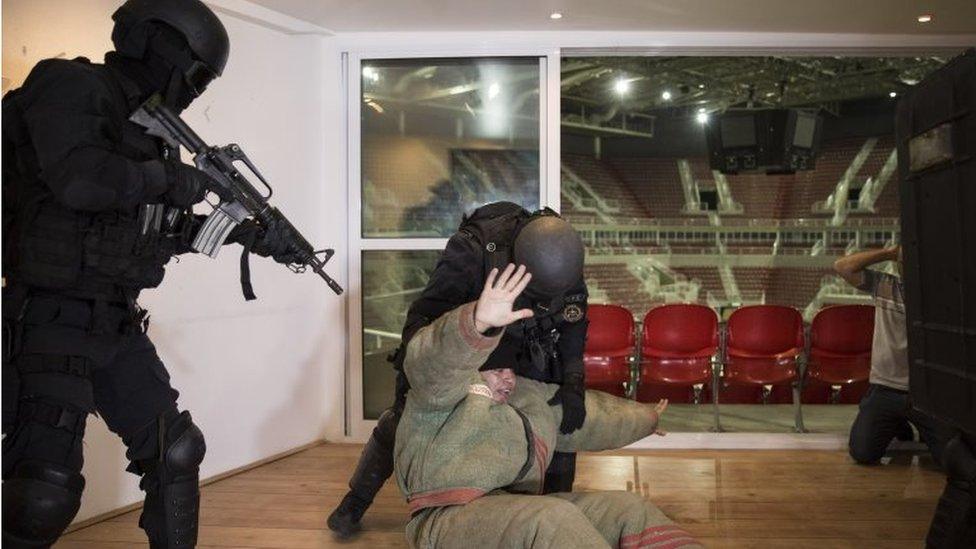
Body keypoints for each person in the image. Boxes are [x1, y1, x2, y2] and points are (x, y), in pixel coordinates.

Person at [1, 1, 296, 547]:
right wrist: (169, 178)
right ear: (161, 43)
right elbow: (81, 182)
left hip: (114, 322)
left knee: (176, 449)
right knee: (40, 496)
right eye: (198, 71)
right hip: (48, 315)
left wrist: (251, 238)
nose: (198, 86)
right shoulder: (69, 85)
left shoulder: (153, 132)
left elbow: (162, 229)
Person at [329, 202, 590, 537]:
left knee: (558, 416)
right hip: (473, 337)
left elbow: (574, 324)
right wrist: (455, 365)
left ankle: (556, 512)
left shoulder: (561, 255)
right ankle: (357, 499)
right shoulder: (473, 249)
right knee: (409, 412)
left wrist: (573, 382)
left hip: (525, 343)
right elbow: (423, 324)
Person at [394, 263, 700, 548]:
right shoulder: (442, 390)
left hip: (512, 507)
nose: (508, 379)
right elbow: (431, 361)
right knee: (551, 518)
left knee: (630, 509)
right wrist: (478, 323)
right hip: (445, 518)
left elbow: (593, 418)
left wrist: (647, 419)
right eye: (497, 370)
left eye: (510, 370)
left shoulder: (528, 397)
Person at [834, 246, 954, 466]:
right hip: (885, 389)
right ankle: (898, 423)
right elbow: (842, 267)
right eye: (903, 262)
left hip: (927, 394)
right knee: (862, 452)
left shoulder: (940, 295)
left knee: (949, 459)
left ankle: (913, 426)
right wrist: (889, 252)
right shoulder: (885, 286)